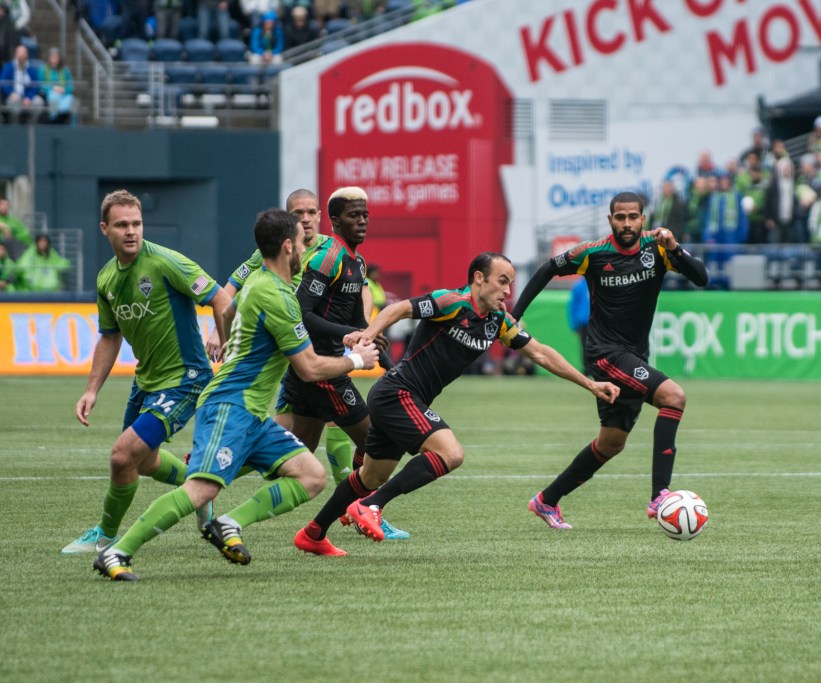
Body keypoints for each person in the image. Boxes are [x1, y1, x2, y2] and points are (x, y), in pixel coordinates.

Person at [93, 209, 381, 580]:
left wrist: (231, 342)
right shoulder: (277, 296)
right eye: (302, 244)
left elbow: (227, 310)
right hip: (231, 406)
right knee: (201, 490)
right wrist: (357, 359)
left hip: (254, 413)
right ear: (288, 246)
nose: (305, 253)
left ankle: (228, 524)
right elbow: (308, 368)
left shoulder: (259, 283)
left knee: (310, 475)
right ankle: (117, 551)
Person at [293, 252, 620, 554]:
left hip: (404, 398)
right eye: (502, 281)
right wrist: (367, 335)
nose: (507, 291)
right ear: (479, 278)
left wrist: (589, 383)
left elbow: (540, 353)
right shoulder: (451, 301)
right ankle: (371, 505)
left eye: (510, 283)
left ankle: (313, 533)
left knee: (369, 477)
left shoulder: (498, 321)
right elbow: (399, 309)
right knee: (450, 453)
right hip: (397, 392)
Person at [509, 191, 709, 529]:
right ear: (610, 220)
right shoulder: (593, 253)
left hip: (633, 355)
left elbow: (701, 278)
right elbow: (547, 269)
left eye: (633, 217)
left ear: (643, 219)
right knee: (674, 396)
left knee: (611, 443)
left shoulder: (658, 248)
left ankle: (546, 500)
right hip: (605, 356)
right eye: (620, 217)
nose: (627, 223)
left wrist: (674, 246)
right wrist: (515, 315)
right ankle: (661, 495)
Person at [63, 190, 233, 554]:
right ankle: (198, 490)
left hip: (185, 380)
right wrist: (92, 390)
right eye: (122, 224)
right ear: (104, 228)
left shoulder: (165, 262)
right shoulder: (107, 278)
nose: (131, 231)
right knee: (143, 462)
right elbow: (109, 337)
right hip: (147, 382)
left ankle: (106, 537)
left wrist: (224, 339)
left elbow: (222, 298)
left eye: (136, 223)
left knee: (122, 456)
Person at [282, 186, 408, 541]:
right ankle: (365, 511)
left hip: (326, 367)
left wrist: (385, 359)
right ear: (335, 222)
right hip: (322, 369)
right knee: (377, 442)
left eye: (366, 215)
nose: (363, 222)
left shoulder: (357, 262)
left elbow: (359, 326)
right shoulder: (328, 259)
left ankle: (214, 474)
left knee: (294, 455)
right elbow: (302, 315)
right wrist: (349, 335)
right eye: (354, 216)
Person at [1, 44, 44, 124]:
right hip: (13, 96)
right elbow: (3, 82)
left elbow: (36, 85)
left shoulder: (32, 69)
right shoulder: (8, 67)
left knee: (39, 102)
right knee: (14, 103)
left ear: (27, 55)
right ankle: (15, 126)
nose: (21, 54)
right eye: (19, 52)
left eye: (24, 52)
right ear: (15, 54)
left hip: (28, 97)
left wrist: (29, 97)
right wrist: (11, 93)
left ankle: (30, 126)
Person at [39, 47, 76, 124]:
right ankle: (53, 119)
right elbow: (40, 85)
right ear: (49, 58)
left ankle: (73, 126)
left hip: (64, 94)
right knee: (54, 96)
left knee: (73, 101)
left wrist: (64, 90)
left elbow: (71, 86)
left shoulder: (65, 70)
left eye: (56, 56)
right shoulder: (43, 70)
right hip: (49, 93)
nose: (54, 59)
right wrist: (52, 88)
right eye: (52, 56)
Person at [649, 179, 688, 244]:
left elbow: (680, 221)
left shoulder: (679, 203)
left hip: (670, 234)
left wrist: (675, 235)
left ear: (673, 188)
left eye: (669, 186)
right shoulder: (657, 201)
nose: (667, 189)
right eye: (665, 186)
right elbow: (652, 216)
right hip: (655, 232)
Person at [567, 275, 589, 369]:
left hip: (599, 322)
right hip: (584, 322)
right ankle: (587, 370)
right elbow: (573, 305)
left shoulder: (599, 281)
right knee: (585, 347)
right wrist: (574, 324)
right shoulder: (579, 285)